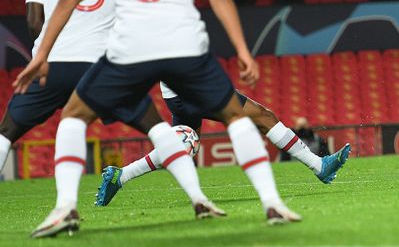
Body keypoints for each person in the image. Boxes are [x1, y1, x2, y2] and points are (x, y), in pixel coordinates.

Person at [14, 0, 302, 237]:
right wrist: (243, 49)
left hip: (133, 48)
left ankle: (65, 208)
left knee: (73, 116)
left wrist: (41, 54)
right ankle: (272, 202)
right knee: (236, 116)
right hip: (184, 46)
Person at [0, 0, 113, 188]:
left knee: (7, 131)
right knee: (152, 124)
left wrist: (46, 53)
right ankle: (195, 194)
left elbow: (34, 22)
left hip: (53, 63)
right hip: (101, 67)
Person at [96, 85, 350, 206]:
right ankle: (319, 165)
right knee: (263, 116)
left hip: (178, 92)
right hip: (191, 88)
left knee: (185, 143)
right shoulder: (169, 11)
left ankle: (121, 175)